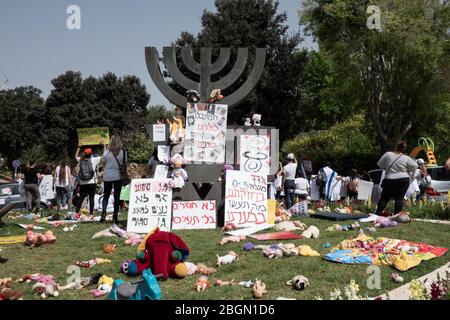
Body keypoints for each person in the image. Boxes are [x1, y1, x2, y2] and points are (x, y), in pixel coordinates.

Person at [374, 141, 418, 215]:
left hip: (390, 179)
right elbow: (415, 167)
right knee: (399, 199)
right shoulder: (406, 158)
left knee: (384, 198)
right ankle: (397, 216)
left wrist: (387, 168)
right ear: (403, 149)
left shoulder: (388, 154)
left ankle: (378, 213)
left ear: (396, 146)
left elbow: (380, 164)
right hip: (403, 179)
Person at [75, 142, 105, 219]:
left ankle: (76, 213)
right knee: (91, 198)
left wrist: (78, 147)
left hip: (83, 182)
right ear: (91, 154)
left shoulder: (80, 160)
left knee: (81, 198)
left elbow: (75, 156)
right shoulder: (94, 160)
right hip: (92, 182)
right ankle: (91, 214)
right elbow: (104, 156)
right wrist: (104, 145)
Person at [101, 135, 127, 224]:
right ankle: (115, 216)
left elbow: (103, 164)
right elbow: (124, 164)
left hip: (107, 176)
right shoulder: (123, 152)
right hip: (117, 176)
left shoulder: (106, 152)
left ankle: (103, 215)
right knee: (116, 197)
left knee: (106, 196)